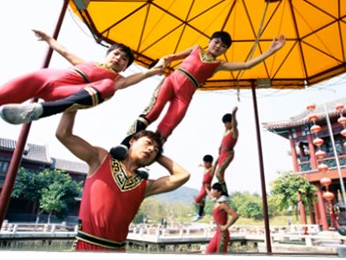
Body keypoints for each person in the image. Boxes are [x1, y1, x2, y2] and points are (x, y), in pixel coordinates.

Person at [110, 31, 286, 157]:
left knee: (168, 126)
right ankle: (124, 144)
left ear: (225, 51)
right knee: (152, 112)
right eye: (216, 42)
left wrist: (271, 51)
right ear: (210, 41)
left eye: (223, 46)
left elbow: (247, 65)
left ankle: (145, 160)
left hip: (186, 95)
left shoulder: (219, 64)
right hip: (172, 81)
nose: (218, 47)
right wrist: (162, 62)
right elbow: (172, 57)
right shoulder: (195, 49)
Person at [0, 29, 166, 132]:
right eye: (116, 54)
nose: (118, 59)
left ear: (125, 67)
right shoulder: (85, 62)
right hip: (41, 79)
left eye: (124, 59)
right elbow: (64, 51)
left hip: (62, 94)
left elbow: (143, 75)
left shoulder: (118, 79)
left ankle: (39, 111)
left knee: (107, 87)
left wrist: (157, 69)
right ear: (108, 54)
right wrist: (48, 38)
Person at [55, 110, 190, 251]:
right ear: (132, 141)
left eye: (155, 150)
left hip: (118, 251)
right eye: (148, 143)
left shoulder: (145, 185)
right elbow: (63, 134)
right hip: (85, 248)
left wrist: (158, 155)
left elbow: (183, 175)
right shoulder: (101, 159)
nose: (151, 149)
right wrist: (74, 105)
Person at [205, 183, 239, 254]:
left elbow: (235, 215)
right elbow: (211, 196)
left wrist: (226, 226)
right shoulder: (216, 202)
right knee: (209, 252)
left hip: (223, 234)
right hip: (217, 232)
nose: (212, 191)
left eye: (214, 189)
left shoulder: (223, 205)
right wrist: (206, 188)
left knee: (220, 255)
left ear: (219, 192)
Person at [212, 106, 239, 196]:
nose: (225, 125)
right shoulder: (226, 130)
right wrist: (219, 147)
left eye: (226, 123)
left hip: (228, 154)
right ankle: (220, 192)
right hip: (222, 153)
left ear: (230, 122)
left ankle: (225, 192)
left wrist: (234, 114)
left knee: (219, 173)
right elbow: (223, 140)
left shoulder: (234, 131)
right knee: (218, 174)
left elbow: (235, 124)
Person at [192, 154, 214, 222]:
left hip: (206, 187)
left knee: (197, 199)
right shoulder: (206, 167)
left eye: (205, 163)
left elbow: (215, 165)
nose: (204, 164)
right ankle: (200, 214)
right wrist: (201, 165)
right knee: (202, 201)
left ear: (209, 163)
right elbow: (204, 166)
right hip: (202, 186)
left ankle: (201, 213)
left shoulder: (211, 169)